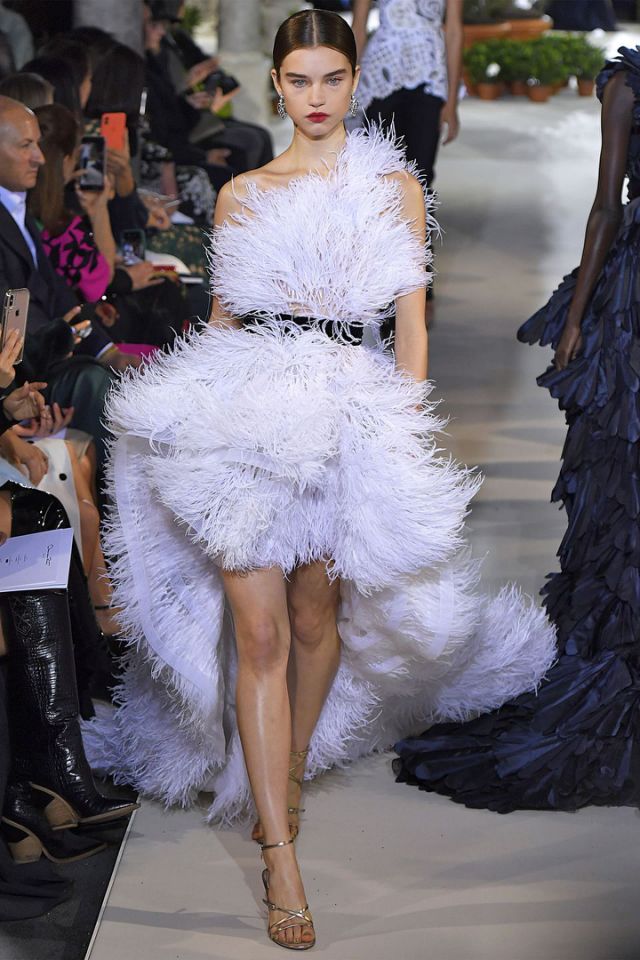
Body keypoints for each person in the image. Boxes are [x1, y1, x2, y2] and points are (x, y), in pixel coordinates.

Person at [85, 10, 556, 950]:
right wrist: (183, 412)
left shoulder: (393, 190)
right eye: (298, 80)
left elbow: (411, 327)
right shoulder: (241, 194)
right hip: (245, 418)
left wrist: (402, 438)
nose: (314, 97)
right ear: (277, 86)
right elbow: (223, 321)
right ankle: (278, 853)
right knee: (259, 633)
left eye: (331, 79)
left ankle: (289, 762)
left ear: (353, 81)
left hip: (345, 415)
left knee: (313, 621)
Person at [394, 45, 640, 814]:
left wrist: (579, 317)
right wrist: (577, 316)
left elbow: (607, 209)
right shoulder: (628, 86)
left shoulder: (630, 86)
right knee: (621, 487)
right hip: (634, 303)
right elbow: (606, 207)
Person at [352, 0, 463, 186]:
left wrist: (452, 102)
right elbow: (358, 28)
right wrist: (345, 89)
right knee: (376, 171)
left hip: (429, 75)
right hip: (382, 74)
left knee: (421, 174)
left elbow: (454, 31)